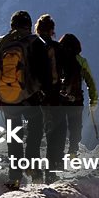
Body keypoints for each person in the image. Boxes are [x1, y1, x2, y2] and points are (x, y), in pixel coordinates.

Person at [0, 10, 50, 186]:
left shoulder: (0, 43)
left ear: (12, 25)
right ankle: (32, 166)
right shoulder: (35, 42)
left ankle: (14, 178)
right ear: (29, 26)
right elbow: (44, 71)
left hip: (7, 99)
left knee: (13, 137)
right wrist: (46, 94)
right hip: (31, 97)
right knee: (35, 130)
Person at [35, 14, 66, 182]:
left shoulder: (29, 46)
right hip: (52, 96)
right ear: (52, 30)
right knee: (56, 132)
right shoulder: (56, 48)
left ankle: (34, 172)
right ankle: (51, 171)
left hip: (31, 97)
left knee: (35, 134)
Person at [58, 33, 99, 155]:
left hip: (59, 99)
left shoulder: (57, 59)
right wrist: (94, 100)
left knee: (60, 126)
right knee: (75, 126)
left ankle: (57, 155)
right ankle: (73, 152)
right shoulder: (81, 61)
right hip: (76, 99)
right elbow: (90, 82)